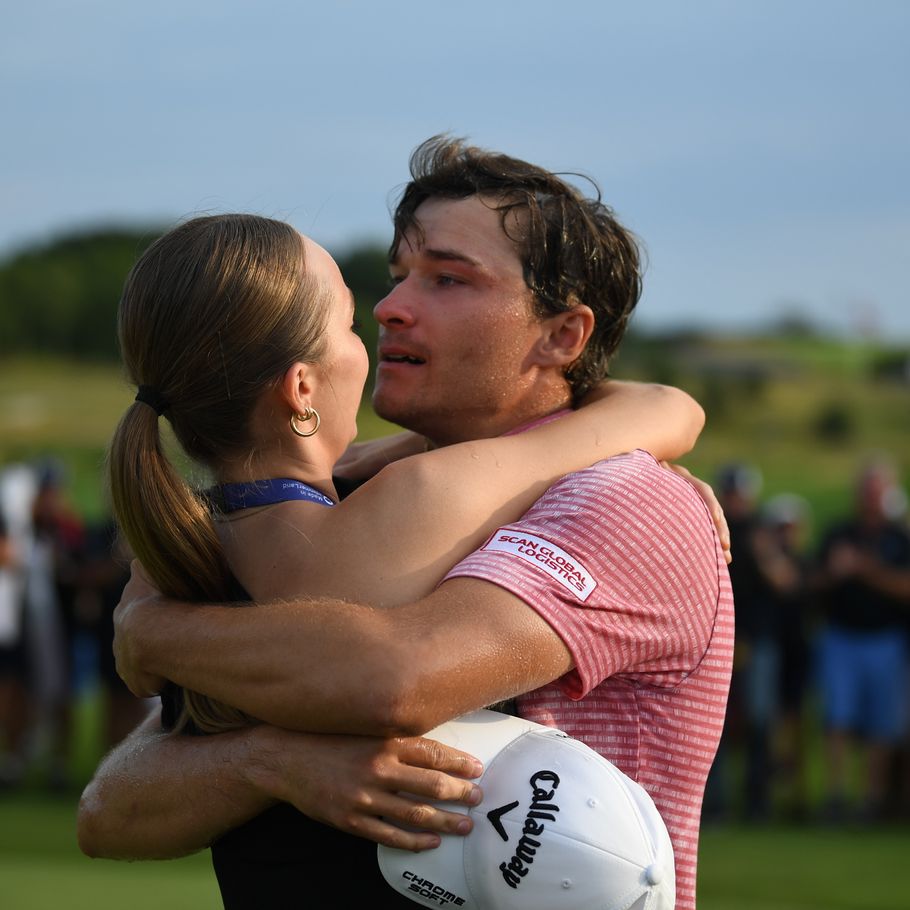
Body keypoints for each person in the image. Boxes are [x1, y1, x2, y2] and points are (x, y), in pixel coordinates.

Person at [79, 138, 733, 910]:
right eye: (395, 279)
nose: (391, 307)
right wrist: (265, 761)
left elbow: (395, 679)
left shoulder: (624, 502)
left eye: (449, 278)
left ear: (562, 335)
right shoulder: (346, 498)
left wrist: (158, 632)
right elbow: (114, 807)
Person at [815, 458, 910, 822]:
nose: (871, 497)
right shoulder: (839, 533)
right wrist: (834, 572)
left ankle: (872, 801)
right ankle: (836, 798)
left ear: (887, 493)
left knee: (880, 725)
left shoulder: (899, 538)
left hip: (886, 642)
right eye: (867, 490)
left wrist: (867, 570)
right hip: (841, 638)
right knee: (837, 719)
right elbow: (813, 581)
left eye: (878, 490)